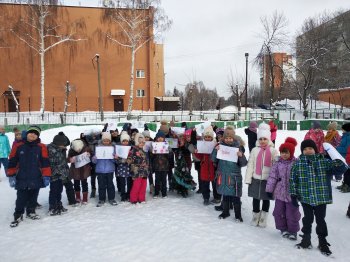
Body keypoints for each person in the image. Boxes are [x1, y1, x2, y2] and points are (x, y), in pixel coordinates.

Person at [290, 139, 347, 256]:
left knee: (320, 220)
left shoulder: (324, 161)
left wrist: (333, 155)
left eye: (310, 148)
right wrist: (293, 194)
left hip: (321, 198)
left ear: (315, 150)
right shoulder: (298, 163)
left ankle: (322, 241)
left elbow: (342, 168)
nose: (308, 151)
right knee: (307, 219)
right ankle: (306, 239)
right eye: (305, 149)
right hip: (305, 198)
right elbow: (292, 180)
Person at [7, 125, 51, 227]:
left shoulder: (42, 147)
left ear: (38, 136)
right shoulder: (18, 145)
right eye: (31, 132)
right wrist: (11, 175)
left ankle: (31, 212)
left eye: (35, 134)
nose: (33, 135)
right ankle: (18, 214)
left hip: (36, 176)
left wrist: (46, 176)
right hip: (22, 176)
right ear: (27, 133)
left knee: (33, 196)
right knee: (21, 197)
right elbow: (12, 160)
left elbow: (45, 162)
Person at [266, 137, 301, 240]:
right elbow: (273, 177)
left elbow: (299, 178)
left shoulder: (296, 163)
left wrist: (299, 191)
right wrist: (269, 189)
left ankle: (293, 231)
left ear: (292, 152)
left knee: (292, 213)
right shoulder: (277, 164)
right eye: (282, 152)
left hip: (292, 194)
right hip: (280, 193)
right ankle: (283, 229)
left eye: (287, 152)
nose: (284, 155)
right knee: (279, 212)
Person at [245, 122, 278, 227]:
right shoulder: (254, 150)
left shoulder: (273, 151)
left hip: (267, 180)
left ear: (269, 139)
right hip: (255, 178)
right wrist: (248, 178)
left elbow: (276, 165)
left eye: (265, 139)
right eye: (260, 139)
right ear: (258, 140)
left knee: (265, 199)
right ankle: (255, 216)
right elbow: (250, 165)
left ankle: (263, 218)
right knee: (255, 198)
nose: (262, 141)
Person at [211, 126, 247, 221]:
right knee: (225, 195)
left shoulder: (238, 148)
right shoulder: (220, 146)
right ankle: (225, 212)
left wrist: (241, 156)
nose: (228, 140)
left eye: (230, 138)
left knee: (236, 197)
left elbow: (243, 163)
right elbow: (213, 159)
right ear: (223, 138)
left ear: (233, 138)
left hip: (234, 177)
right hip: (223, 176)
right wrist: (216, 150)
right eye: (226, 138)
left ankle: (238, 215)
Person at [47, 132, 70, 215]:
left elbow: (62, 160)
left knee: (59, 190)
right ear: (58, 143)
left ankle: (58, 204)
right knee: (54, 191)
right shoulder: (51, 149)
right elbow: (52, 162)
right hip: (54, 174)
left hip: (61, 174)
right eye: (64, 145)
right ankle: (52, 206)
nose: (65, 146)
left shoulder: (60, 149)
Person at [92, 132, 118, 207]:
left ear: (110, 141)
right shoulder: (98, 148)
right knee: (101, 185)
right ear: (102, 140)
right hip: (100, 170)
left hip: (109, 169)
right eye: (104, 140)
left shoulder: (113, 148)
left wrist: (115, 158)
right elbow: (94, 161)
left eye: (107, 140)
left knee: (110, 184)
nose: (106, 142)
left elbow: (115, 161)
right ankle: (101, 199)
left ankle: (111, 198)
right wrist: (94, 158)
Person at [194, 126, 217, 205]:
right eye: (206, 137)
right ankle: (206, 198)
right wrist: (196, 152)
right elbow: (199, 157)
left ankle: (216, 197)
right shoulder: (202, 145)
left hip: (213, 168)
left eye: (209, 137)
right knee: (205, 185)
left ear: (212, 137)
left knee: (215, 184)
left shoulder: (215, 145)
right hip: (204, 168)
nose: (207, 138)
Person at [127, 133, 150, 204]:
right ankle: (133, 199)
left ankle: (141, 198)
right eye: (140, 142)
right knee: (136, 186)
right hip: (137, 172)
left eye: (143, 142)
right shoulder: (133, 150)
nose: (141, 144)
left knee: (143, 185)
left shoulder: (144, 150)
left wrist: (147, 167)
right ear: (137, 142)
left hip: (144, 171)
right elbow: (129, 160)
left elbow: (146, 160)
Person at [68, 139, 91, 204]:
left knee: (84, 184)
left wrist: (89, 155)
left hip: (84, 170)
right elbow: (68, 158)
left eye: (79, 149)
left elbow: (92, 154)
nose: (78, 150)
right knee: (76, 184)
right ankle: (77, 197)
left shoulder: (86, 148)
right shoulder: (71, 150)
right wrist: (70, 159)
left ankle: (85, 198)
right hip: (75, 171)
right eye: (76, 149)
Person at [115, 131, 132, 202]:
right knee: (122, 183)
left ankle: (128, 194)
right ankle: (123, 195)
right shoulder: (118, 149)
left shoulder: (131, 149)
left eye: (126, 141)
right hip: (121, 168)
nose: (125, 143)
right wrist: (117, 158)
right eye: (123, 141)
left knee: (129, 182)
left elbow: (132, 159)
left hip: (129, 168)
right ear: (121, 141)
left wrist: (129, 159)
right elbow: (116, 161)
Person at [336, 122, 350, 192]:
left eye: (343, 129)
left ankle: (348, 186)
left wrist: (337, 148)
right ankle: (344, 184)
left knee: (348, 172)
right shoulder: (344, 136)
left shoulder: (349, 137)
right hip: (343, 157)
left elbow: (347, 148)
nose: (342, 130)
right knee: (345, 171)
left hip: (347, 157)